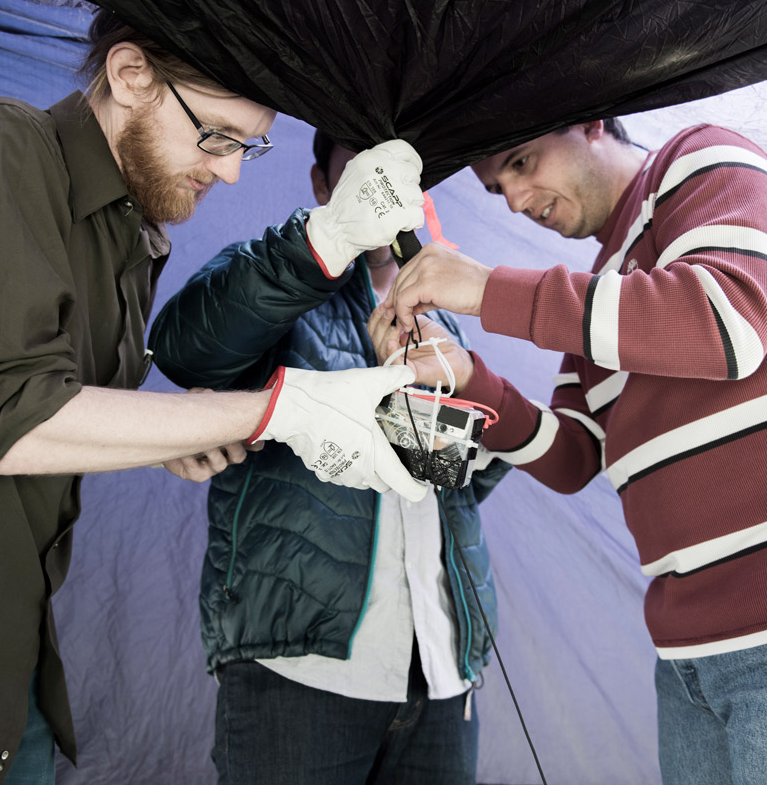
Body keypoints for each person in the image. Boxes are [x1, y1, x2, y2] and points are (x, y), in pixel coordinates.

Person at [0, 10, 429, 785]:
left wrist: (169, 440)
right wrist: (282, 408)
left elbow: (53, 410)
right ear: (131, 76)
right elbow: (12, 416)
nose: (230, 170)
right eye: (218, 134)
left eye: (247, 145)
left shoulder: (132, 239)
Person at [374, 118, 767, 784]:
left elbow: (725, 323)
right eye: (495, 189)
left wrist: (487, 288)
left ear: (591, 123)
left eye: (521, 160)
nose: (514, 199)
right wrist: (468, 375)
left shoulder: (705, 157)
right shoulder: (600, 295)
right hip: (688, 655)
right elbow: (574, 457)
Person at [148, 130, 511, 785]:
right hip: (299, 673)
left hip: (440, 671)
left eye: (397, 179)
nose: (385, 196)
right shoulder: (268, 283)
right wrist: (326, 239)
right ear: (323, 188)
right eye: (359, 179)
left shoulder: (447, 320)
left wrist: (449, 396)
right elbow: (183, 346)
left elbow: (461, 484)